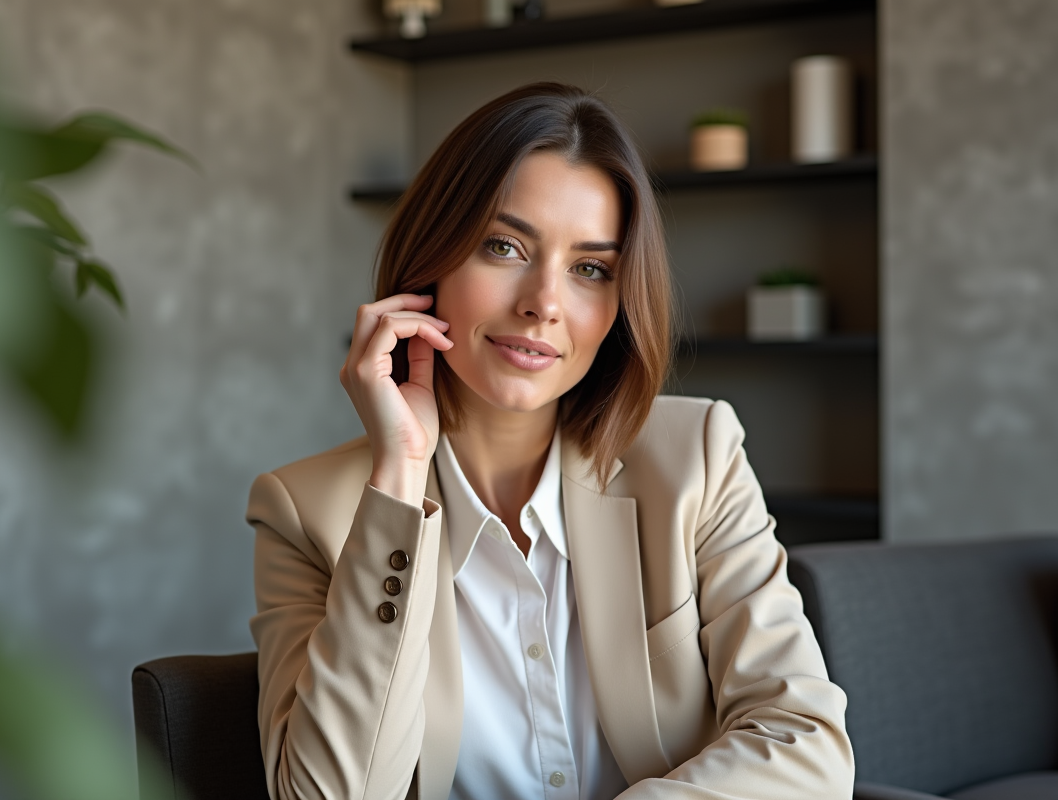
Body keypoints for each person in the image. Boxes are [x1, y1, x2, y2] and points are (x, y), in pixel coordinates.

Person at [246, 82, 854, 800]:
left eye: (590, 268)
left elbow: (804, 742)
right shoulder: (303, 511)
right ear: (428, 264)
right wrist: (401, 477)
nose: (544, 302)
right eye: (503, 247)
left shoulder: (696, 458)